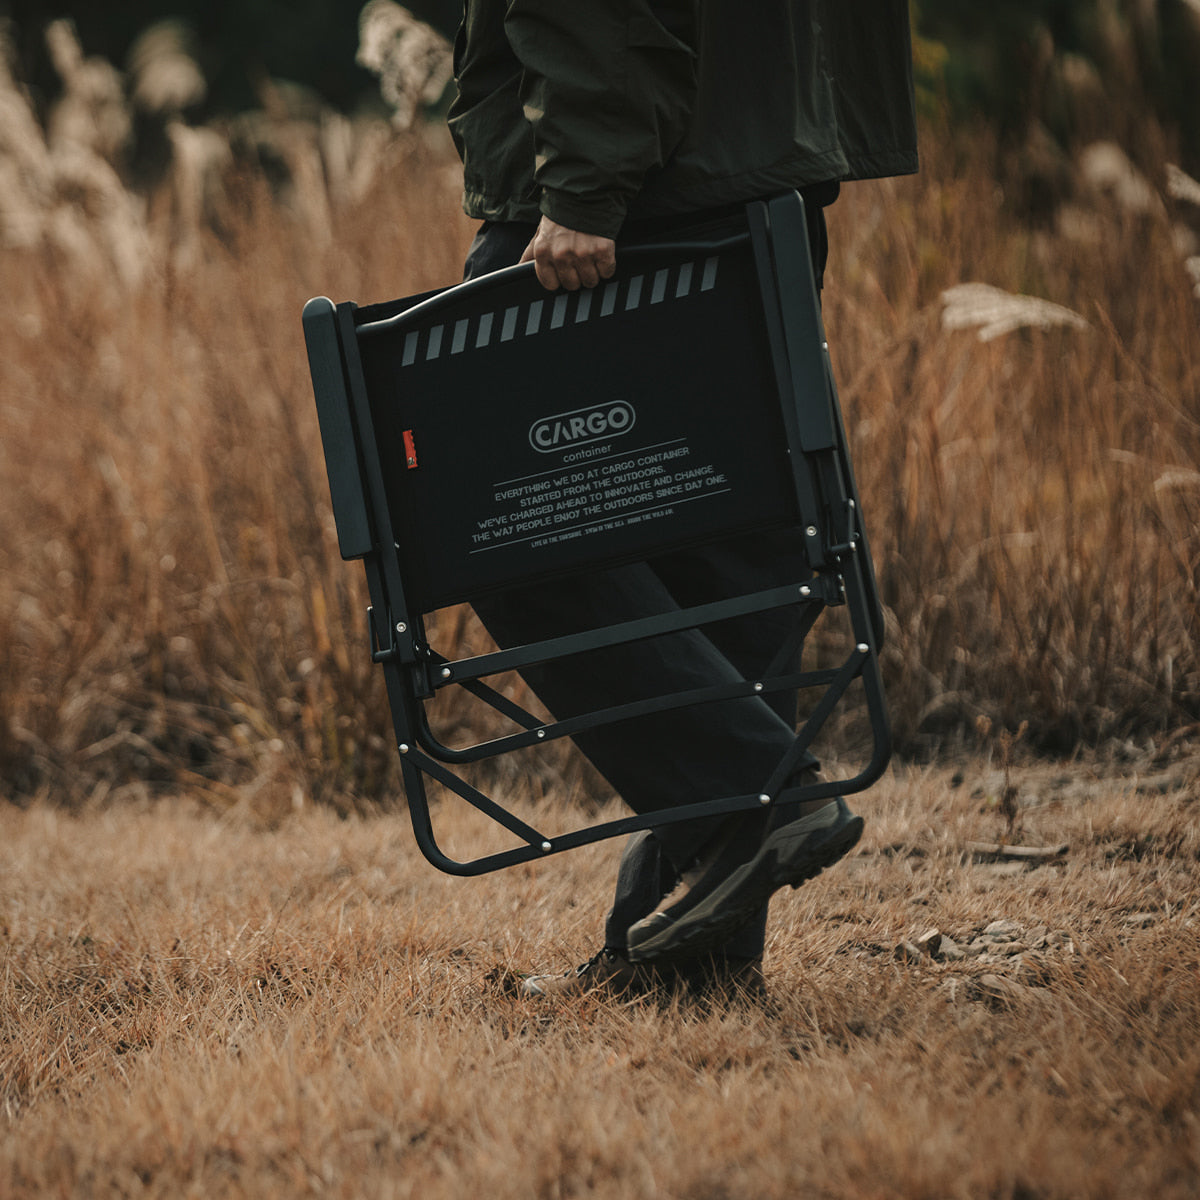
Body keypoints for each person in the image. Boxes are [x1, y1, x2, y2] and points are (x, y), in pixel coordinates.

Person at [445, 1, 918, 997]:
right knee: (731, 556)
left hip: (631, 188)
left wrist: (586, 181)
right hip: (768, 154)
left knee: (484, 514)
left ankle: (757, 803)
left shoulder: (601, 181)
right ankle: (686, 972)